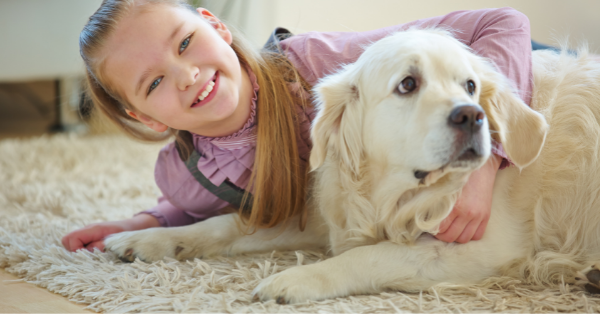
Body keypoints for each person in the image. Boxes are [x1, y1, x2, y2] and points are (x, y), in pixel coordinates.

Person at [62, 0, 534, 253]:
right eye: (156, 81)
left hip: (510, 80)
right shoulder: (188, 174)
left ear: (216, 26)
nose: (187, 74)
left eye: (185, 42)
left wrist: (487, 163)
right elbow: (184, 208)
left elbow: (503, 21)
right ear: (145, 116)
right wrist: (137, 224)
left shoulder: (321, 62)